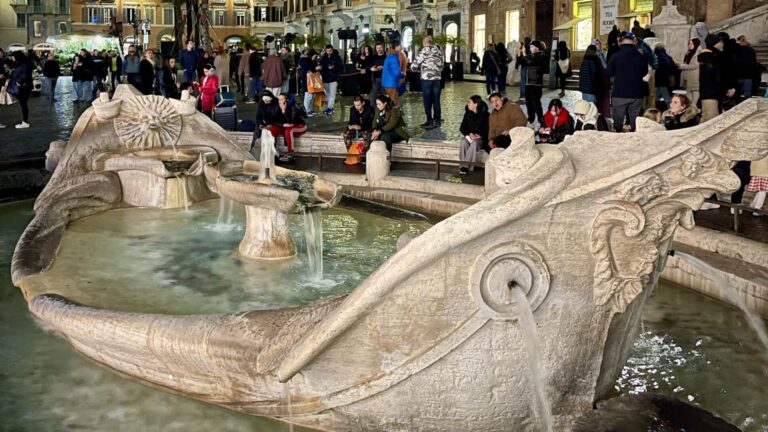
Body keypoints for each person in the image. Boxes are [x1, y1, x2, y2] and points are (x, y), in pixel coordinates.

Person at [606, 32, 647, 132]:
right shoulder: (641, 57)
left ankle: (617, 139)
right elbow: (644, 72)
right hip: (637, 93)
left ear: (621, 43)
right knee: (635, 121)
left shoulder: (615, 56)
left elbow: (608, 72)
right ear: (634, 42)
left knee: (618, 122)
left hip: (620, 92)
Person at [698, 35, 735, 122]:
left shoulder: (712, 56)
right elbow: (718, 76)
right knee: (711, 120)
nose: (722, 44)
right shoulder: (711, 57)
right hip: (711, 94)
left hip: (711, 93)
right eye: (720, 42)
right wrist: (727, 87)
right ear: (716, 43)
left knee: (708, 119)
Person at [412, 35, 444, 130]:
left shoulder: (423, 51)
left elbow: (413, 66)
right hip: (437, 80)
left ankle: (429, 120)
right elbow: (442, 66)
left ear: (424, 43)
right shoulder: (438, 52)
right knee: (436, 100)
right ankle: (437, 120)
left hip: (426, 80)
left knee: (427, 101)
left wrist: (418, 70)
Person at [265, 93, 307, 162]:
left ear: (286, 100)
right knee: (272, 129)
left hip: (299, 126)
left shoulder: (294, 107)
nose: (279, 101)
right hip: (285, 126)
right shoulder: (277, 106)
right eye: (279, 99)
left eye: (282, 99)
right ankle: (273, 152)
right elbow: (273, 120)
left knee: (289, 130)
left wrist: (284, 111)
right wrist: (282, 125)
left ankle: (291, 155)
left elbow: (293, 121)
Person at [458, 95, 490, 175]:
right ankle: (462, 165)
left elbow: (489, 130)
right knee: (463, 141)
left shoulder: (486, 115)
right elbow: (462, 128)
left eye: (469, 102)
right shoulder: (467, 114)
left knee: (475, 143)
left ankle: (465, 167)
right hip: (470, 137)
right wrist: (469, 134)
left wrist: (481, 136)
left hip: (481, 139)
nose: (467, 104)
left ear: (475, 104)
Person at [522, 40, 548, 127]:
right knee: (528, 102)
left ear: (537, 48)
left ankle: (541, 119)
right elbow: (523, 61)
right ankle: (531, 118)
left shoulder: (542, 55)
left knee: (535, 102)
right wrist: (520, 53)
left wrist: (525, 55)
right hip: (528, 82)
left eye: (532, 47)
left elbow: (531, 62)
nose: (530, 49)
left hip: (536, 83)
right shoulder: (531, 56)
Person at [6, 51, 33, 128]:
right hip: (23, 87)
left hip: (23, 88)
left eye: (13, 56)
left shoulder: (24, 65)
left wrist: (19, 82)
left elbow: (24, 75)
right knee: (23, 104)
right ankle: (25, 121)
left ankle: (25, 122)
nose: (12, 58)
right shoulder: (21, 64)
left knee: (23, 105)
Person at [317, 44, 343, 115]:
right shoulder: (323, 58)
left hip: (334, 78)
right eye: (327, 51)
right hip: (325, 78)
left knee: (332, 95)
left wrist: (334, 67)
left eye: (330, 50)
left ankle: (330, 108)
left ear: (332, 50)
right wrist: (321, 68)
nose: (329, 52)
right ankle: (330, 108)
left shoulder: (337, 57)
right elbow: (321, 66)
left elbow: (341, 66)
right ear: (325, 50)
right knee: (328, 94)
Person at [678, 38, 701, 105]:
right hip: (688, 79)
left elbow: (695, 65)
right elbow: (686, 64)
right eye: (689, 43)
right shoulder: (688, 53)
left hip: (695, 79)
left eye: (691, 43)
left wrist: (682, 66)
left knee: (695, 100)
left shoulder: (698, 53)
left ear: (696, 44)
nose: (689, 45)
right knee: (689, 100)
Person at [381, 43, 404, 107]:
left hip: (386, 83)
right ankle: (394, 116)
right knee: (395, 105)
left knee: (388, 104)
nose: (401, 47)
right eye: (400, 46)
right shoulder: (394, 57)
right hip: (392, 84)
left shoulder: (389, 56)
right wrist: (402, 74)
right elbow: (396, 72)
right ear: (396, 47)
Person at [653, 44, 675, 110]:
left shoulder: (656, 58)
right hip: (665, 81)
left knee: (655, 98)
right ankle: (671, 110)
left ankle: (653, 111)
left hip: (657, 81)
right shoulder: (668, 58)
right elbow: (673, 68)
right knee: (667, 98)